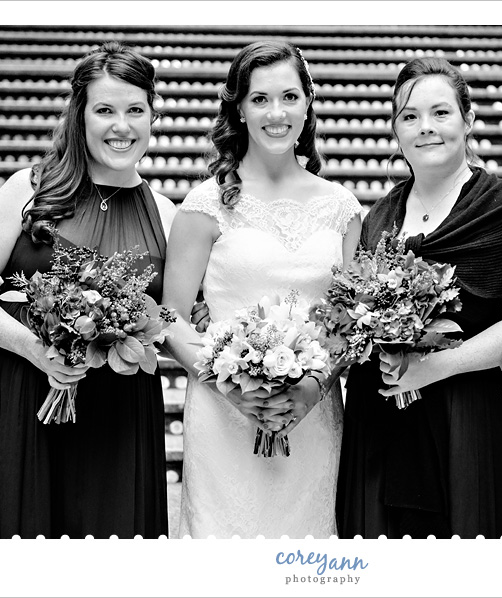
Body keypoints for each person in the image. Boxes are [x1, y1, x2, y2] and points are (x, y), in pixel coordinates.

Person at [0, 41, 176, 539]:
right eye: (104, 109)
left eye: (135, 110)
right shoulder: (31, 188)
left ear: (153, 115)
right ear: (80, 114)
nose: (121, 126)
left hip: (115, 413)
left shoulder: (169, 216)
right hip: (12, 395)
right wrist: (35, 348)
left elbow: (173, 321)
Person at [335, 58, 502, 539]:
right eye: (409, 116)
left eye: (440, 113)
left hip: (471, 420)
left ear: (467, 120)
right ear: (395, 128)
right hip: (384, 418)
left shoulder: (501, 208)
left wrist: (435, 367)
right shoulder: (379, 217)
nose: (425, 128)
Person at [161, 41, 362, 539]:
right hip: (223, 412)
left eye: (290, 97)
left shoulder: (342, 207)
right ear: (240, 108)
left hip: (312, 411)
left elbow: (353, 317)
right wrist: (233, 387)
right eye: (260, 99)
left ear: (308, 103)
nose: (277, 113)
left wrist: (313, 386)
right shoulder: (205, 205)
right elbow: (170, 317)